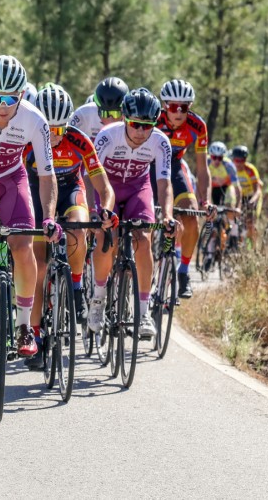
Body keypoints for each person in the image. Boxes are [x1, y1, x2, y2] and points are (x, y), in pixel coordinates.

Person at [0, 55, 59, 371]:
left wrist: (49, 217)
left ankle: (24, 325)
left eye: (11, 98)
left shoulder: (34, 120)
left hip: (13, 179)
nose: (3, 106)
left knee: (23, 245)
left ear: (22, 96)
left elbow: (46, 176)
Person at [23, 84, 117, 370]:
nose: (53, 135)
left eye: (59, 129)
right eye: (47, 128)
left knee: (78, 228)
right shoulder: (26, 140)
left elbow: (104, 187)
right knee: (37, 269)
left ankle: (75, 286)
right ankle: (35, 336)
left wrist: (107, 209)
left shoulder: (78, 140)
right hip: (36, 193)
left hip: (70, 191)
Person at [91, 88, 177, 340]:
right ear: (125, 120)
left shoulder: (160, 141)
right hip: (108, 187)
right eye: (136, 124)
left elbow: (163, 183)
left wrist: (168, 215)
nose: (141, 131)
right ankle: (98, 299)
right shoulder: (107, 136)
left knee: (144, 239)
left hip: (139, 187)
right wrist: (93, 212)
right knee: (108, 239)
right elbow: (91, 175)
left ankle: (143, 310)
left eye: (147, 126)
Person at [155, 79, 209, 298]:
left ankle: (184, 271)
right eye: (173, 107)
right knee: (147, 217)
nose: (178, 112)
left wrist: (206, 201)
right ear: (164, 105)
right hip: (148, 165)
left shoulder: (198, 126)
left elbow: (203, 169)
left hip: (174, 167)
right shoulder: (152, 120)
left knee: (191, 213)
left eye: (184, 107)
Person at [230, 145, 262, 247]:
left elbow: (257, 190)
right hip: (237, 196)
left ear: (245, 159)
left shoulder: (250, 170)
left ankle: (253, 247)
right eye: (236, 160)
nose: (239, 163)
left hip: (251, 196)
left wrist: (253, 200)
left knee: (249, 223)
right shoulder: (230, 168)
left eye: (242, 160)